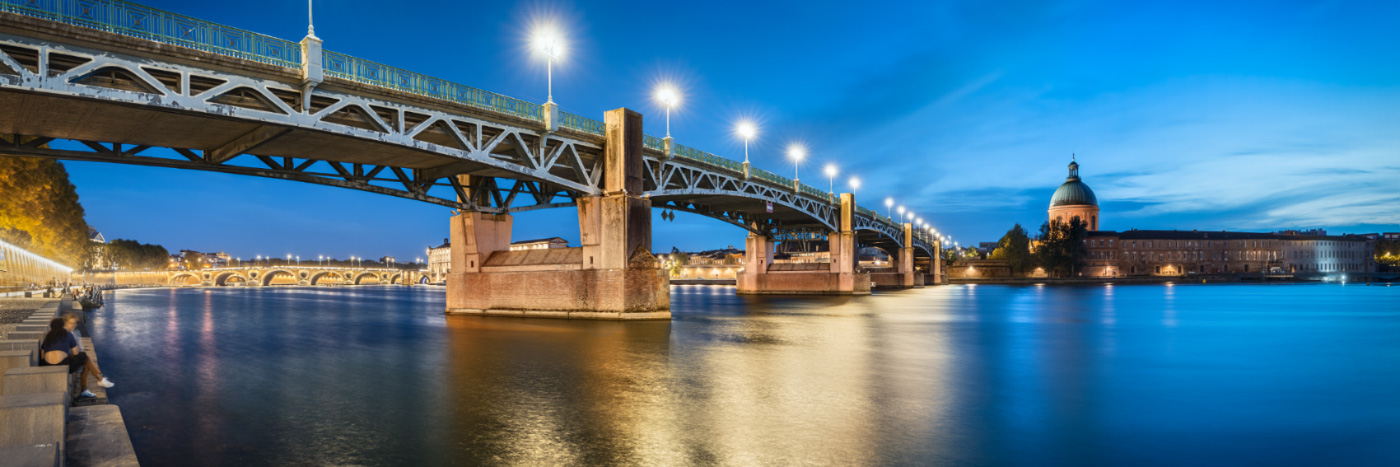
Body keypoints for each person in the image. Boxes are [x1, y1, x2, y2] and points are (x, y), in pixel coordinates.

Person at [40, 316, 114, 399]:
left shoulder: (48, 336)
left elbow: (42, 355)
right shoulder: (68, 334)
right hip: (62, 364)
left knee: (85, 361)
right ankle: (98, 380)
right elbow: (76, 353)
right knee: (84, 357)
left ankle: (93, 384)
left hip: (46, 364)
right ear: (62, 325)